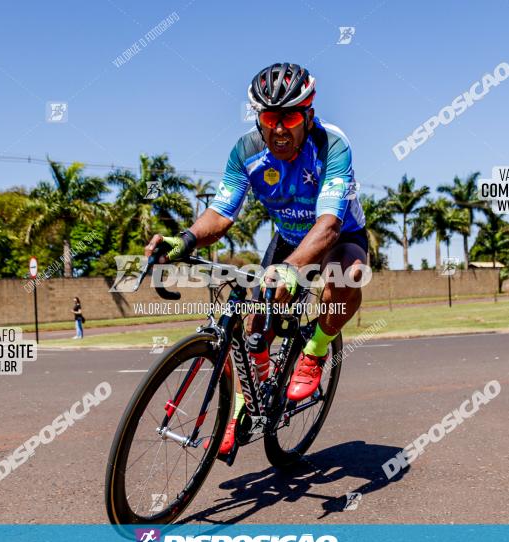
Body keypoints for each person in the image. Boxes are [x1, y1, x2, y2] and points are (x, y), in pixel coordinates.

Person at [145, 63, 367, 455]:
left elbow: (329, 224)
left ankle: (314, 352)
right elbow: (221, 213)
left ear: (308, 115)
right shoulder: (245, 152)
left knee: (348, 276)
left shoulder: (333, 146)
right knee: (253, 320)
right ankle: (249, 404)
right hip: (288, 239)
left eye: (290, 116)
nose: (279, 128)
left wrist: (293, 268)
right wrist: (185, 241)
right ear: (259, 120)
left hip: (335, 235)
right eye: (270, 117)